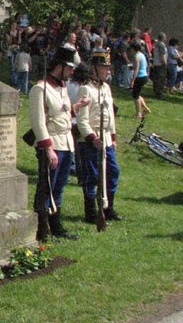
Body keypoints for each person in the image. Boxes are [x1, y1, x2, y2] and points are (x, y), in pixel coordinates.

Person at [29, 47, 90, 240]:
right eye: (70, 68)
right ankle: (42, 229)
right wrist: (48, 149)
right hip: (52, 145)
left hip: (66, 143)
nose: (72, 72)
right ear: (60, 66)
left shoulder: (62, 87)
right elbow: (38, 122)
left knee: (59, 186)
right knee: (46, 187)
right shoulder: (40, 89)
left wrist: (77, 106)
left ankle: (56, 225)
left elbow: (61, 113)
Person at [76, 51, 123, 223]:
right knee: (92, 175)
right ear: (94, 69)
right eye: (104, 67)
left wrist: (113, 137)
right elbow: (82, 120)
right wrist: (92, 138)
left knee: (113, 171)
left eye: (108, 67)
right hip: (91, 140)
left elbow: (110, 115)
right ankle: (91, 212)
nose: (107, 71)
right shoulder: (85, 89)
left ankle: (108, 208)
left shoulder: (106, 88)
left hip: (106, 139)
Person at [130, 41, 151, 118]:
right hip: (144, 76)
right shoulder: (142, 54)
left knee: (135, 96)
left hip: (140, 77)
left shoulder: (136, 56)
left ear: (133, 48)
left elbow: (137, 69)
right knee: (137, 94)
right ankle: (145, 108)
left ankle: (138, 113)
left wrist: (133, 80)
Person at [150, 32, 168, 99]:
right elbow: (162, 55)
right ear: (163, 38)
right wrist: (165, 63)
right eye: (165, 37)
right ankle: (159, 94)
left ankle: (156, 91)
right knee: (161, 80)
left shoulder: (156, 44)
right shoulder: (161, 45)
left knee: (156, 79)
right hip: (160, 64)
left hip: (156, 63)